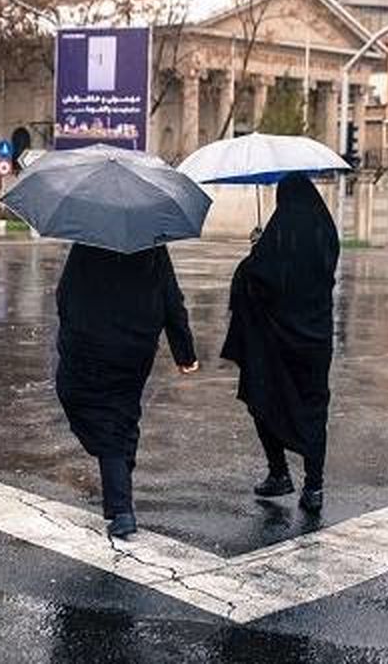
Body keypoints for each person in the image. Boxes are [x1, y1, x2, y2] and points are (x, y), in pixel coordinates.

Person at [55, 244, 199, 538]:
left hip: (92, 345)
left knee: (104, 421)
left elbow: (65, 294)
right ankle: (120, 475)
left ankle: (122, 508)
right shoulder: (152, 244)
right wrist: (184, 352)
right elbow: (172, 299)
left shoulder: (89, 240)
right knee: (122, 414)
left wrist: (72, 333)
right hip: (136, 347)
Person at [221, 173, 340, 514]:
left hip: (277, 343)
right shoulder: (325, 230)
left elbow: (258, 279)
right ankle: (313, 486)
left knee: (264, 398)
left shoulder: (281, 232)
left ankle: (279, 472)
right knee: (315, 410)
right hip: (316, 340)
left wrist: (257, 250)